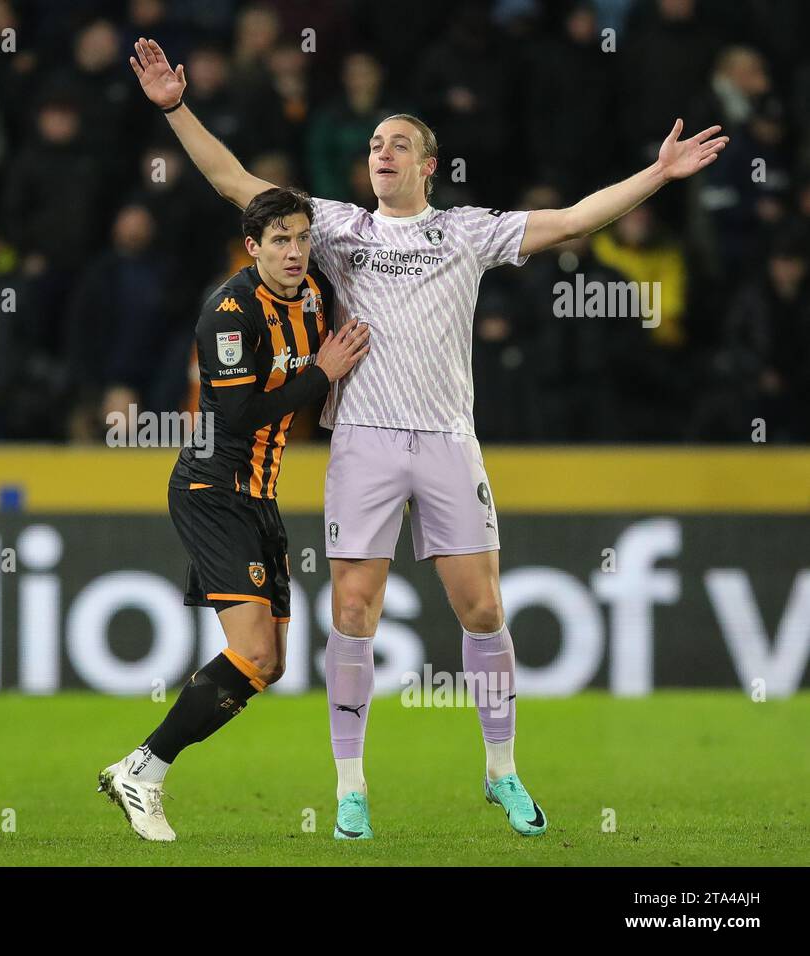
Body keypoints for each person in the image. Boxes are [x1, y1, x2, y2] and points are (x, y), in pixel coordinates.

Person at [130, 35, 727, 839]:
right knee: (353, 609)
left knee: (482, 609)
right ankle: (350, 789)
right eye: (375, 143)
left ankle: (502, 772)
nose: (381, 151)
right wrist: (176, 108)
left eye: (397, 144)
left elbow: (575, 219)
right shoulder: (336, 229)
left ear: (427, 165)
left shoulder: (467, 232)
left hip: (449, 438)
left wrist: (657, 173)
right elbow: (236, 182)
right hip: (365, 440)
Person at [97, 187, 368, 841]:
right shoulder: (228, 311)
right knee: (250, 650)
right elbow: (235, 414)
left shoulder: (313, 298)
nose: (296, 251)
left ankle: (141, 766)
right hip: (211, 490)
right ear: (253, 247)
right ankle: (145, 769)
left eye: (303, 238)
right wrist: (323, 374)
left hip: (258, 494)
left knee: (269, 663)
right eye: (280, 240)